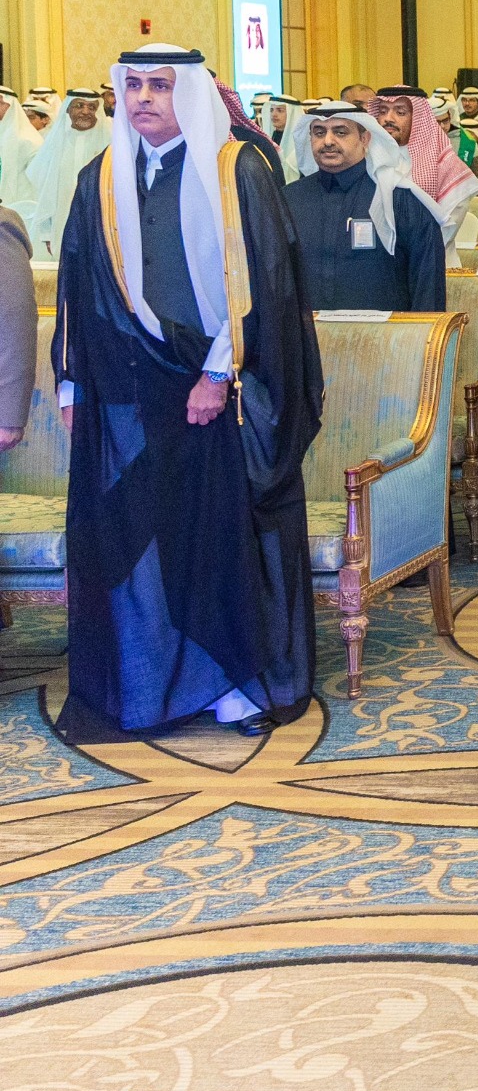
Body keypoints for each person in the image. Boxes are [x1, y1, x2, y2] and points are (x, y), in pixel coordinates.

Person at [54, 45, 323, 737]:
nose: (143, 98)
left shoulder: (238, 171)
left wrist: (218, 371)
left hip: (215, 389)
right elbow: (78, 287)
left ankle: (237, 684)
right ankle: (157, 683)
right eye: (134, 85)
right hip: (129, 391)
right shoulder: (99, 177)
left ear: (191, 93)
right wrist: (72, 383)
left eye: (160, 86)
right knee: (146, 537)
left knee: (219, 538)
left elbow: (265, 286)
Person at [283, 101, 446, 312]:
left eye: (340, 132)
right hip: (308, 331)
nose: (328, 141)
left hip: (385, 332)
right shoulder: (289, 198)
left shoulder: (398, 198)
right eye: (319, 132)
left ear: (365, 138)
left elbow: (428, 284)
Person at [372, 84, 478, 242]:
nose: (388, 118)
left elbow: (445, 231)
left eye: (400, 112)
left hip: (432, 254)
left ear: (419, 119)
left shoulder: (447, 166)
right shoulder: (369, 159)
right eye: (382, 111)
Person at [17, 88, 110, 258]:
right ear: (67, 109)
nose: (85, 111)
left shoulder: (109, 143)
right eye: (79, 105)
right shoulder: (55, 144)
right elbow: (43, 192)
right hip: (61, 220)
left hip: (100, 220)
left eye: (92, 107)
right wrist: (46, 232)